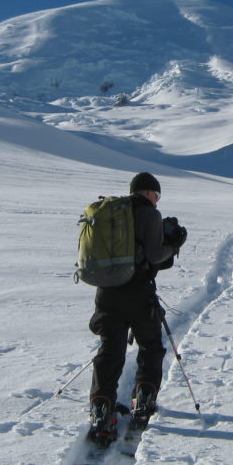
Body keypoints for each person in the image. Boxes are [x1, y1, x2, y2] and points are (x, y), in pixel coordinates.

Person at [86, 172, 187, 445]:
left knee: (110, 350)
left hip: (106, 293)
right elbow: (155, 256)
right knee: (151, 346)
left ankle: (101, 410)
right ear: (149, 192)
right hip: (138, 293)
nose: (157, 200)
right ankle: (143, 400)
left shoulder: (112, 212)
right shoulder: (149, 215)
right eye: (157, 195)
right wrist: (173, 245)